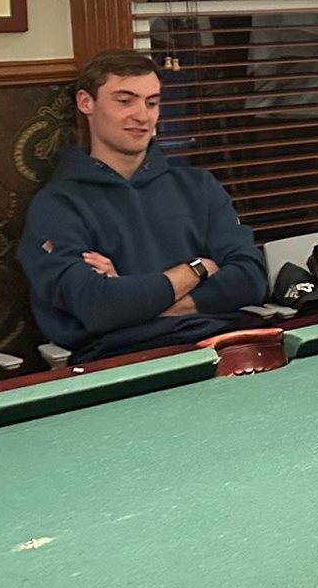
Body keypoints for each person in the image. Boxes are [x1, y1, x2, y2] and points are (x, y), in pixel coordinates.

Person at [20, 49, 267, 361]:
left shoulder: (198, 186)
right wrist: (196, 269)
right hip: (124, 360)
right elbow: (98, 306)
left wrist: (134, 302)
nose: (142, 116)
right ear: (86, 103)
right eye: (125, 101)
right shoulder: (57, 206)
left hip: (224, 346)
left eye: (152, 103)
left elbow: (250, 278)